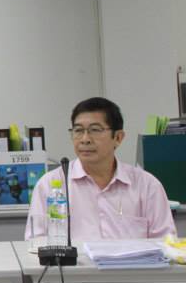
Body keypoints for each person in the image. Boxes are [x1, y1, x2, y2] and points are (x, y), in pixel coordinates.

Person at [26, 97, 176, 243]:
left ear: (118, 137)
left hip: (133, 262)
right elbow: (35, 243)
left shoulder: (147, 186)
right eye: (78, 130)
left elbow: (166, 244)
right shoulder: (50, 185)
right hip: (74, 261)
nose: (85, 139)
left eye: (95, 130)